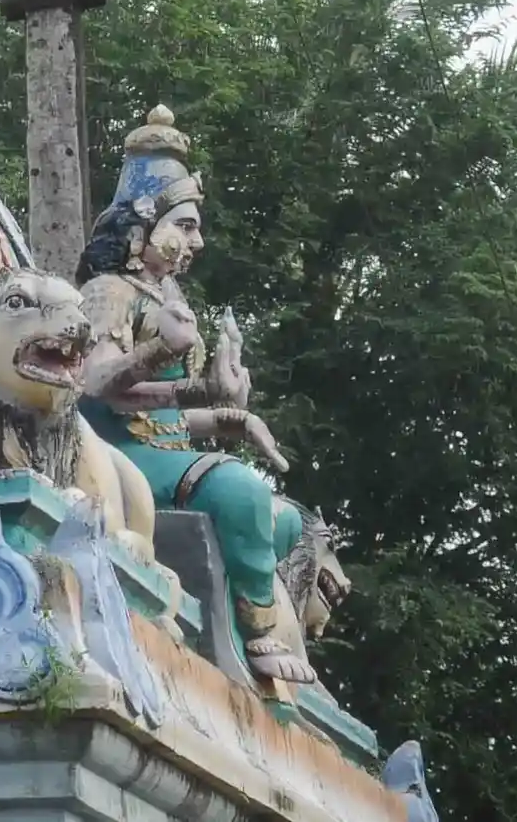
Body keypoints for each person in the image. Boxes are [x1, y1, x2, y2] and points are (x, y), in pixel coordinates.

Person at [74, 106, 313, 685]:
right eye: (182, 225)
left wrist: (231, 415)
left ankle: (231, 634)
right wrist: (161, 354)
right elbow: (98, 384)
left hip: (164, 454)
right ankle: (259, 638)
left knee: (284, 523)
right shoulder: (109, 293)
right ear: (140, 229)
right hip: (116, 459)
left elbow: (174, 418)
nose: (195, 241)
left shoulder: (163, 299)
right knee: (241, 490)